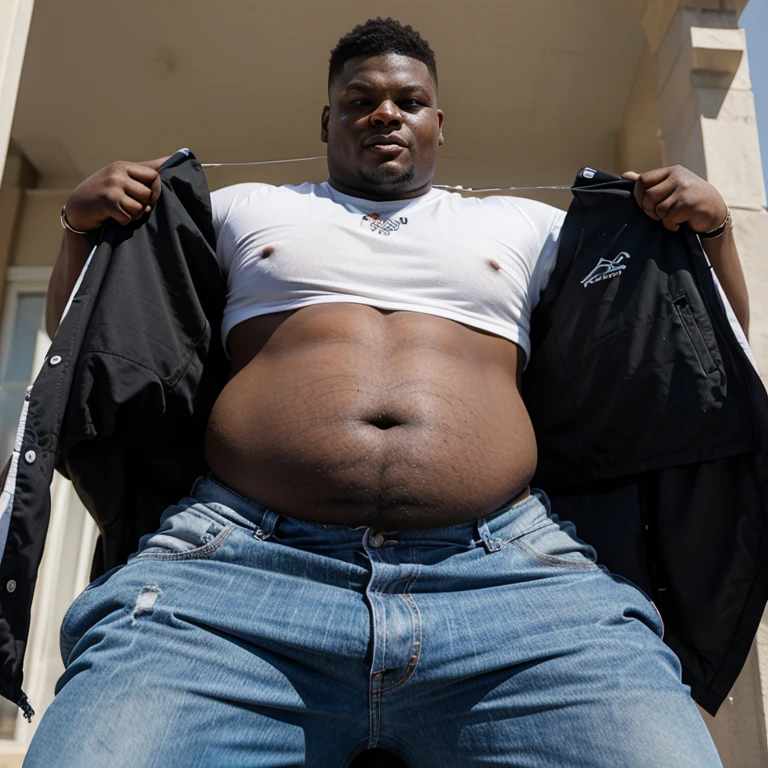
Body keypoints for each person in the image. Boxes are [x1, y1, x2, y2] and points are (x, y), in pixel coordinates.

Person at [25, 17, 743, 768]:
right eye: (360, 99)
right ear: (327, 119)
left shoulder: (526, 226)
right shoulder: (241, 209)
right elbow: (92, 343)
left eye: (408, 100)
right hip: (234, 579)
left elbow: (701, 342)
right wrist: (79, 231)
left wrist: (712, 232)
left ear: (438, 122)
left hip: (510, 582)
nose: (385, 113)